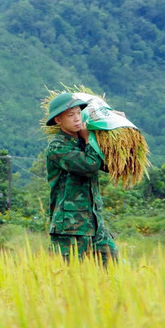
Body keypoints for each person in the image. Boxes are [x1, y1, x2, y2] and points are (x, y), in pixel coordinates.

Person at [44, 92, 117, 265]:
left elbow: (108, 165)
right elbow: (90, 166)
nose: (77, 118)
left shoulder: (84, 142)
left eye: (78, 113)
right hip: (69, 228)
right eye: (71, 115)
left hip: (95, 224)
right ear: (58, 120)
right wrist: (88, 139)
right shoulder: (57, 147)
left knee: (112, 269)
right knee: (66, 278)